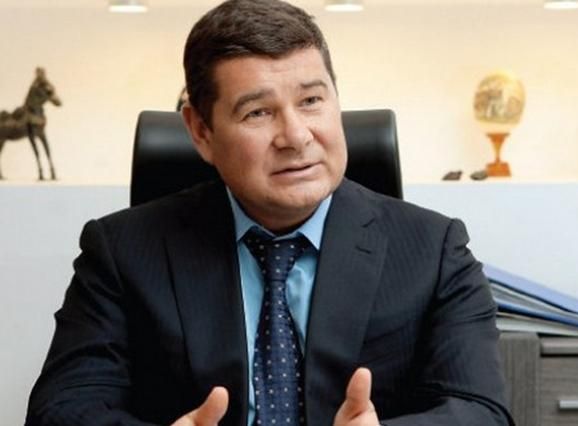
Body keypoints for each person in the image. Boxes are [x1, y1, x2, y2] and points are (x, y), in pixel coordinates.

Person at [26, 0, 513, 425]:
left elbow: (482, 410)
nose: (296, 136)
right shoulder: (122, 252)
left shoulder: (433, 250)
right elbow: (61, 408)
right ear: (200, 131)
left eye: (312, 101)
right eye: (258, 112)